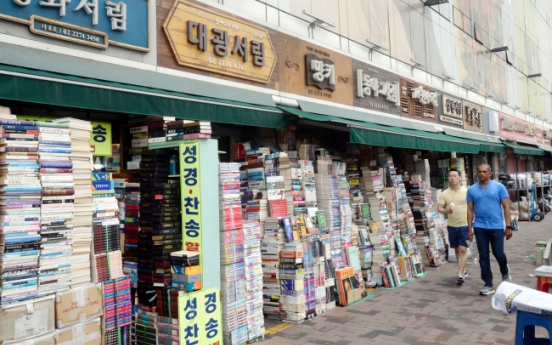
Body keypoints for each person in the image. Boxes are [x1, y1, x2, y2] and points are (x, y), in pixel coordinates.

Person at [467, 164, 513, 296]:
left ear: (490, 173)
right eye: (479, 171)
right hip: (480, 226)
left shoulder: (499, 187)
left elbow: (506, 207)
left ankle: (505, 271)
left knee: (499, 254)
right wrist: (469, 228)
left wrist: (508, 227)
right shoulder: (472, 190)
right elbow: (470, 210)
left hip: (496, 226)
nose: (482, 174)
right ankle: (488, 284)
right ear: (477, 173)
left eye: (484, 171)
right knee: (483, 256)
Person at [438, 169, 469, 284]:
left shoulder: (467, 191)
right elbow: (439, 208)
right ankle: (464, 270)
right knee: (456, 249)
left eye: (455, 176)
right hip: (452, 225)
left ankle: (460, 273)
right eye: (450, 176)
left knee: (463, 249)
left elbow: (472, 207)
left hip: (464, 224)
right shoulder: (444, 193)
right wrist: (446, 210)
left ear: (460, 178)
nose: (452, 178)